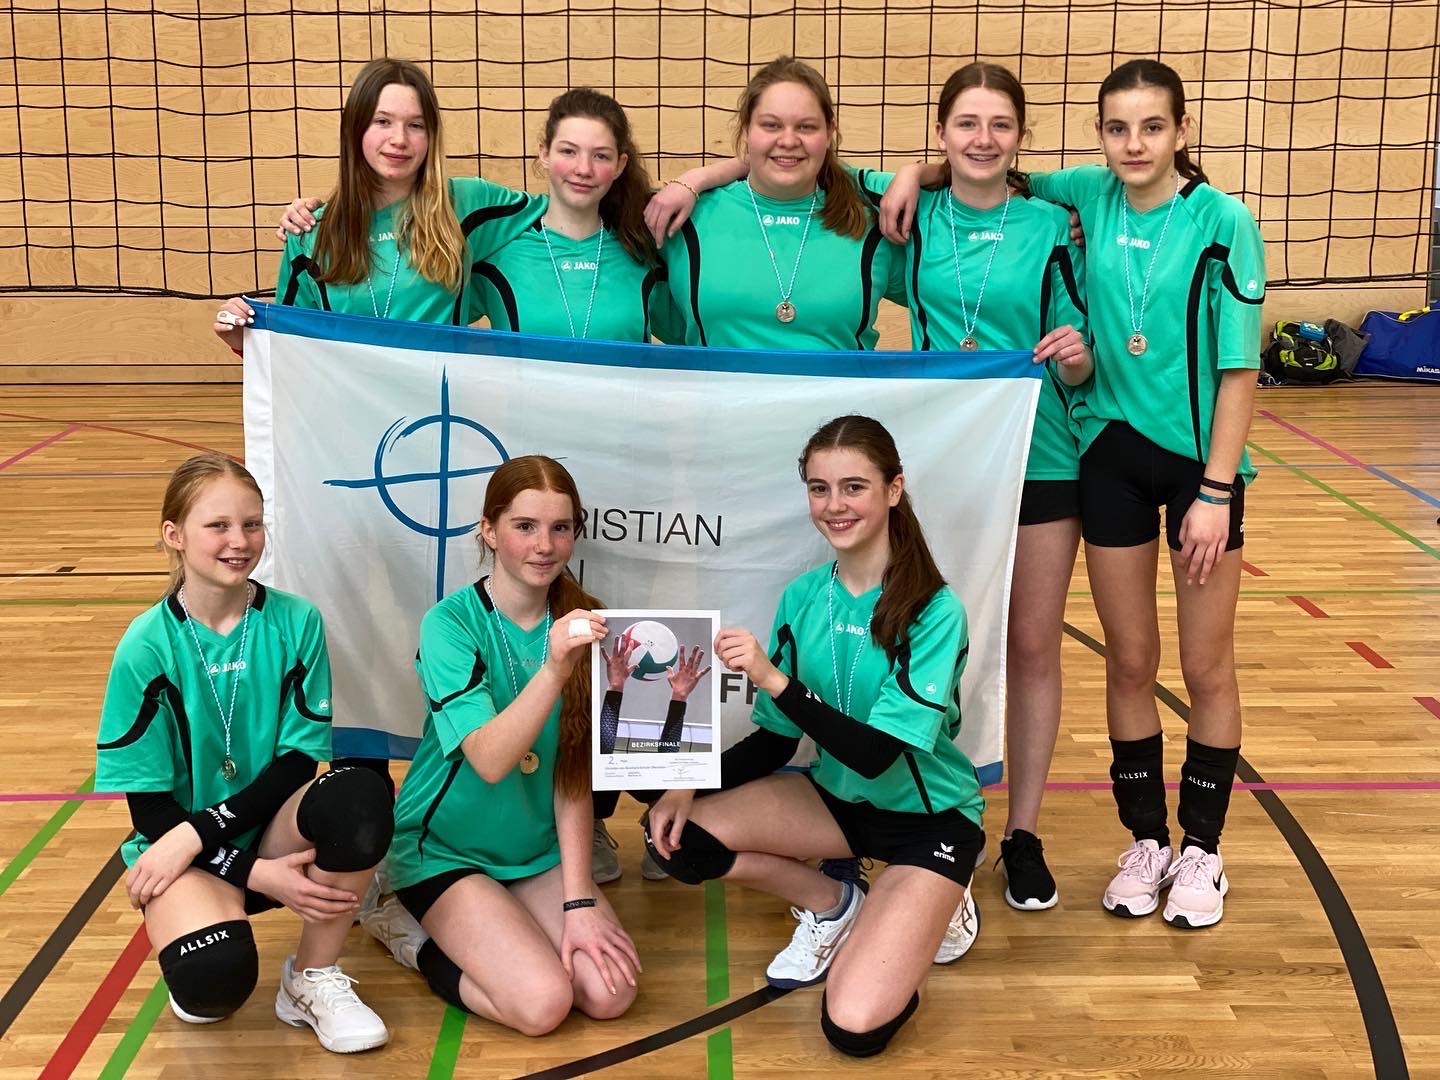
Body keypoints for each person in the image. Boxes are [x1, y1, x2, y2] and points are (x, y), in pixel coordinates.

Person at [909, 59, 1262, 928]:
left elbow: (1239, 368)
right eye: (1117, 128)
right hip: (1108, 456)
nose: (1134, 144)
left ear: (1182, 131)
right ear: (1100, 136)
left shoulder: (1224, 220)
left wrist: (1217, 489)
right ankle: (1147, 841)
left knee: (1206, 665)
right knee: (1130, 660)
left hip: (1200, 472)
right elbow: (982, 167)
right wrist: (919, 172)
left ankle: (1203, 849)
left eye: (1152, 126)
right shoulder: (1088, 196)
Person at [644, 416, 985, 1057]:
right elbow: (776, 743)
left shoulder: (935, 610)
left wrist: (774, 680)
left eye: (854, 487)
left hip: (928, 822)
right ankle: (836, 903)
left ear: (893, 489)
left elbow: (876, 754)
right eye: (819, 488)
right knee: (673, 837)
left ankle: (939, 899)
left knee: (854, 1028)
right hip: (836, 805)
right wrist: (686, 783)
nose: (834, 505)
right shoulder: (803, 597)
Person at [865, 62, 1093, 911]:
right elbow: (798, 158)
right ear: (941, 133)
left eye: (1001, 124)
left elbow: (1082, 359)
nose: (984, 139)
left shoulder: (1053, 225)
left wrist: (1078, 357)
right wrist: (906, 174)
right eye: (967, 123)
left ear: (1021, 137)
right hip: (941, 460)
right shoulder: (912, 215)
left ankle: (1022, 834)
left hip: (1041, 457)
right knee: (919, 640)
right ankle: (919, 820)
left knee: (1031, 646)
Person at [94, 454, 393, 1053]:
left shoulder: (295, 621)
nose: (240, 541)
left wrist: (211, 837)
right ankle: (211, 917)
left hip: (262, 831)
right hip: (182, 849)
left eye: (252, 524)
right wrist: (247, 871)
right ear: (174, 535)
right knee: (213, 985)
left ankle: (311, 978)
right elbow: (150, 811)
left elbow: (298, 762)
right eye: (219, 526)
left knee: (362, 792)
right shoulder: (145, 647)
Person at [359, 455, 642, 1034]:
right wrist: (555, 669)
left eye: (560, 528)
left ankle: (510, 916)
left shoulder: (589, 621)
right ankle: (406, 933)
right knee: (542, 1005)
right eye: (524, 526)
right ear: (489, 531)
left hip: (535, 849)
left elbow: (571, 777)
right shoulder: (451, 624)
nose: (545, 545)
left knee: (609, 994)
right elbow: (489, 760)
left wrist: (578, 903)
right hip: (445, 849)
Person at [217, 57, 547, 349]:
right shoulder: (310, 232)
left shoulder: (465, 203)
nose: (399, 139)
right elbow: (292, 347)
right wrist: (242, 341)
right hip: (347, 399)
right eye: (382, 121)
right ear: (356, 129)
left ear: (431, 136)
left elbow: (561, 215)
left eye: (415, 125)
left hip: (438, 399)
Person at [645, 56, 906, 350]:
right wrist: (694, 180)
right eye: (771, 125)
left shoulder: (873, 222)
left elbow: (944, 298)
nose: (788, 140)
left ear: (829, 132)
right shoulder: (686, 218)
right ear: (746, 130)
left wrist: (916, 172)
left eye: (806, 127)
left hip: (844, 384)